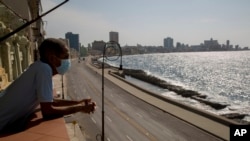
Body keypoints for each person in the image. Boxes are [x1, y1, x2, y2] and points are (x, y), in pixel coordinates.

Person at [0, 38, 96, 132]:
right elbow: (48, 111)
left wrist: (79, 102)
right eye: (66, 57)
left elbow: (51, 101)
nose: (68, 61)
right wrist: (81, 108)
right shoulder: (44, 69)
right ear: (52, 58)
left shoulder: (39, 67)